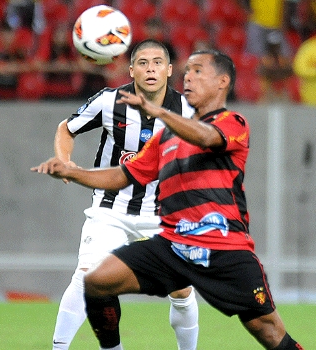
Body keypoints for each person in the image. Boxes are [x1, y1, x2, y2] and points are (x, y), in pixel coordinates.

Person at [32, 49, 303, 350]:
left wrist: (159, 113)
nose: (189, 76)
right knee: (97, 280)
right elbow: (123, 176)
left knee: (268, 332)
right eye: (188, 71)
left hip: (225, 247)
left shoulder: (233, 123)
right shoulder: (162, 136)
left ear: (222, 82)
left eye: (198, 71)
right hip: (172, 240)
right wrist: (73, 171)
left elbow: (206, 137)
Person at [48, 39, 199, 350]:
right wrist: (64, 161)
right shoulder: (109, 101)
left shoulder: (188, 111)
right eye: (143, 63)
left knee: (181, 290)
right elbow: (66, 128)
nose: (150, 68)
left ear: (170, 70)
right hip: (110, 207)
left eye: (157, 62)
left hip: (163, 212)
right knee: (88, 276)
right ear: (131, 70)